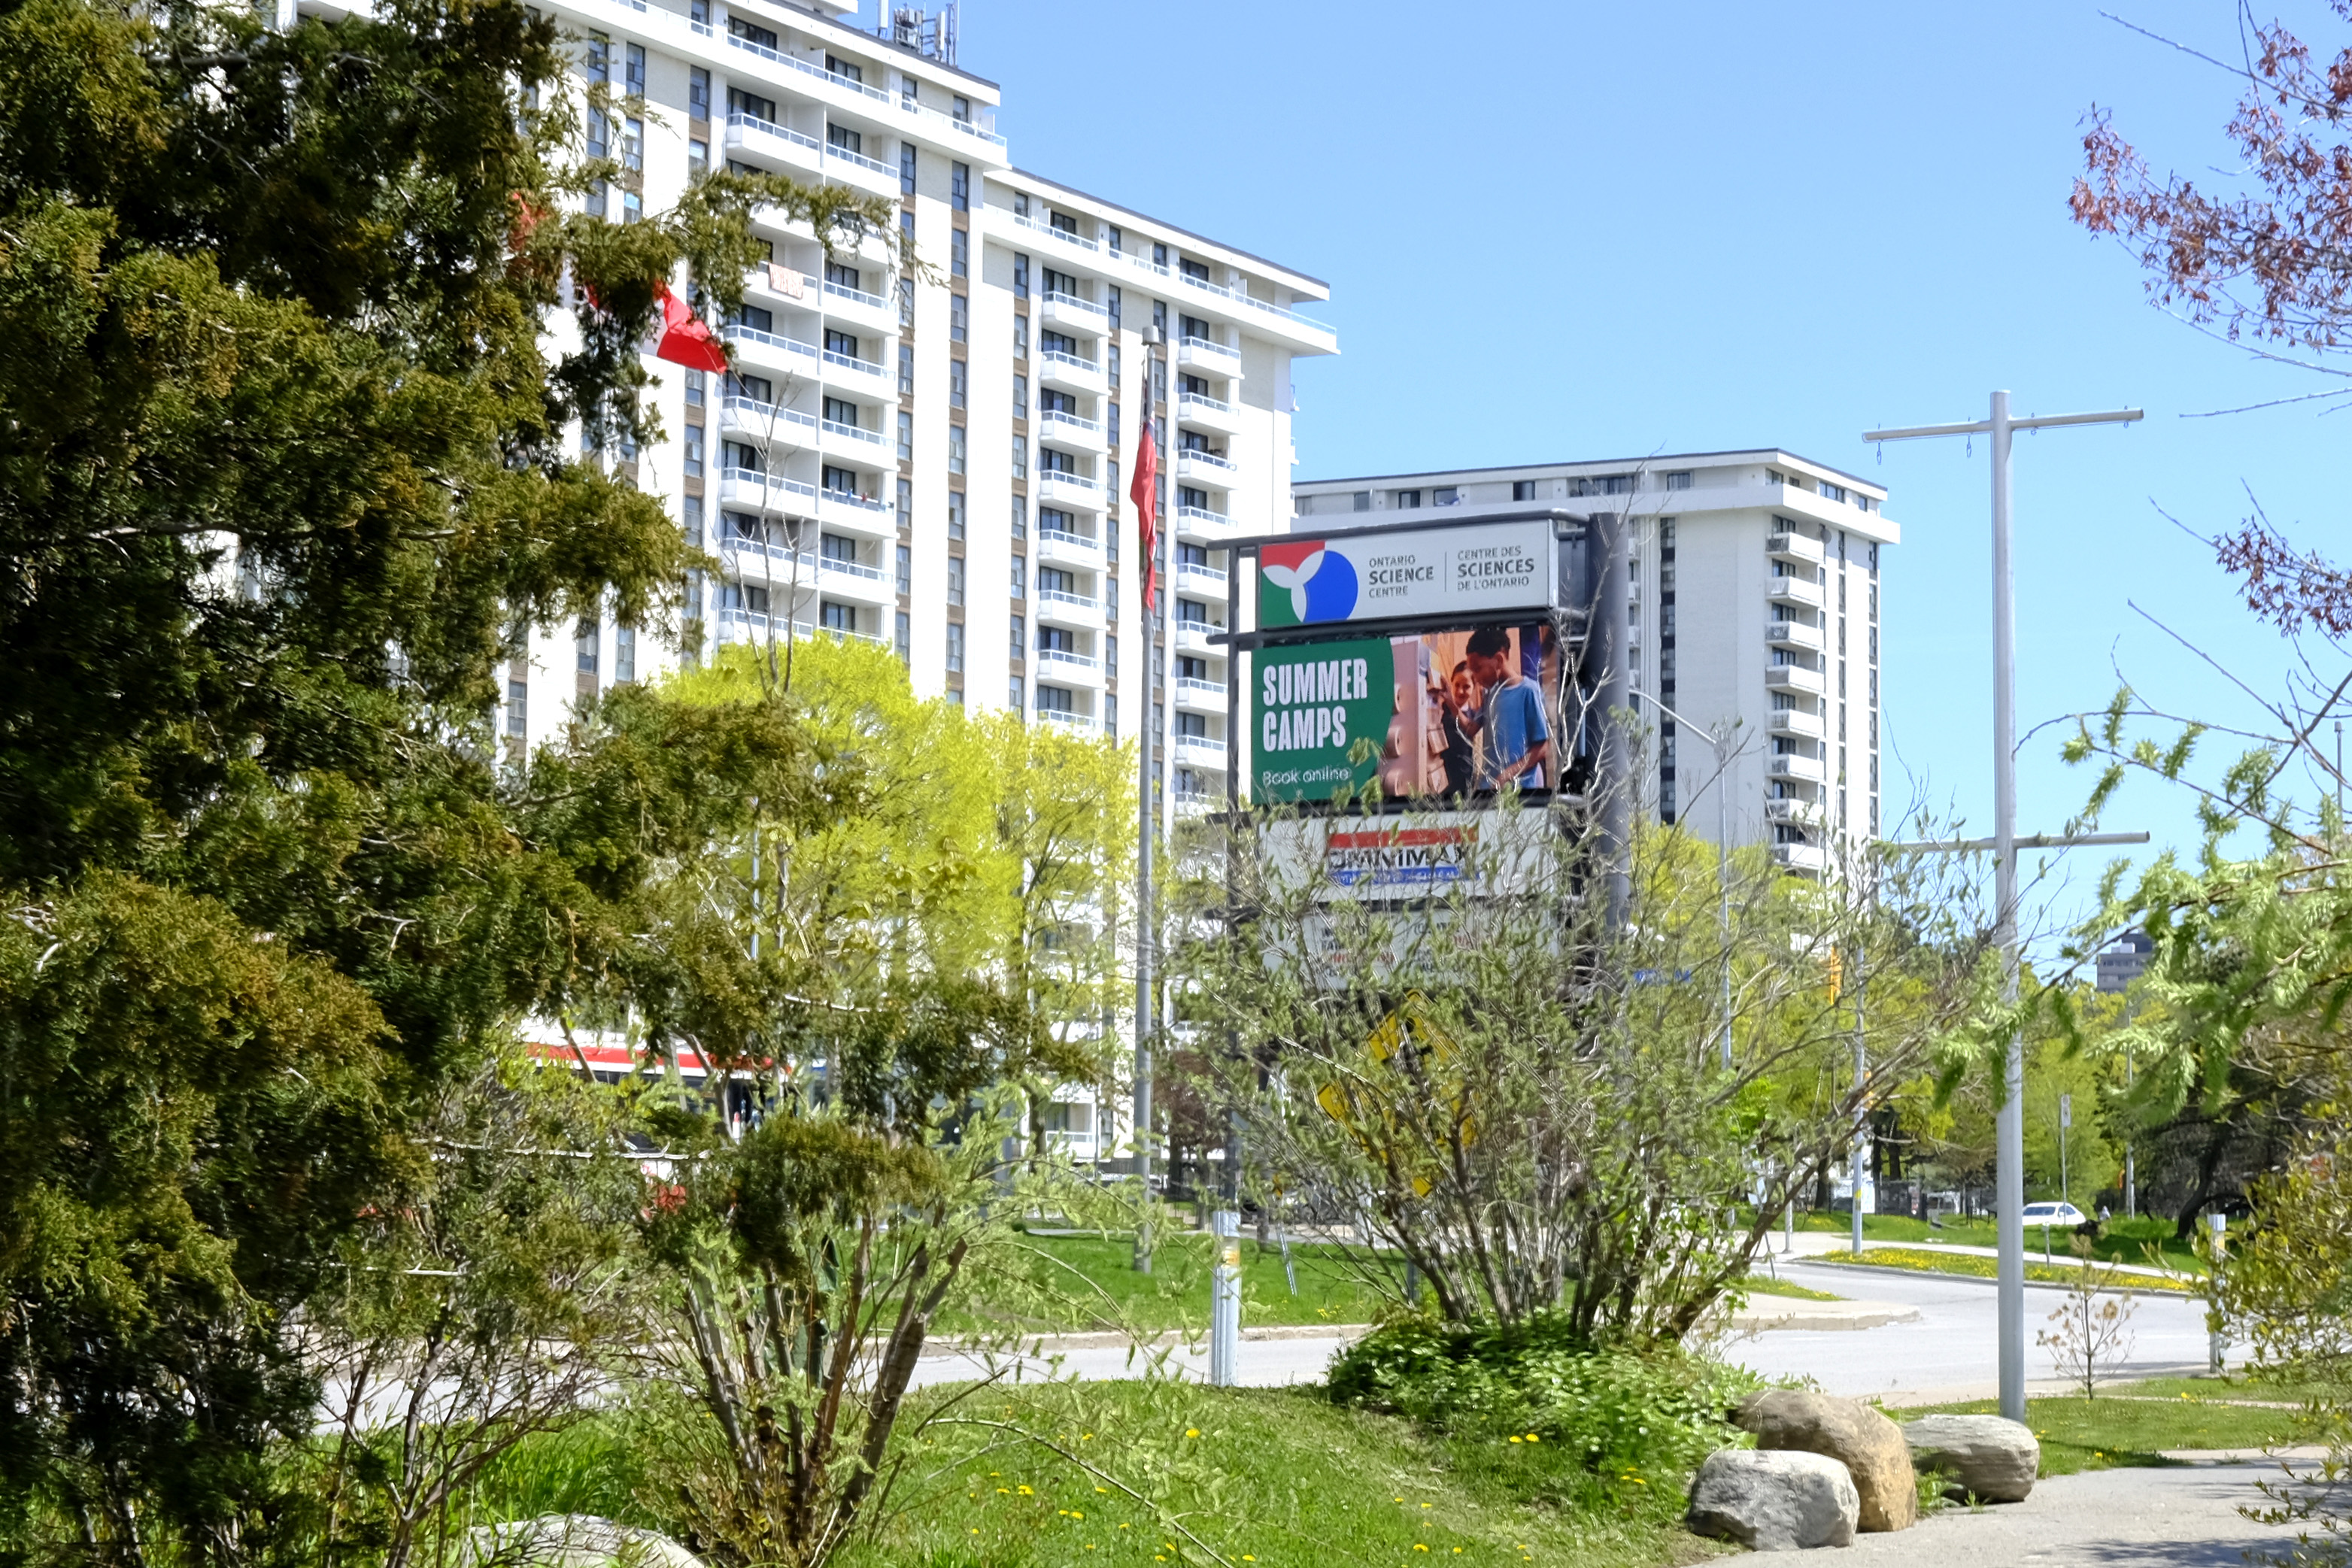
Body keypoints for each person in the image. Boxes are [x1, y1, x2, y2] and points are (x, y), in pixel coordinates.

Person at [1464, 626, 1552, 790]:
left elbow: (1541, 748)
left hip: (1518, 792)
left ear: (1498, 660)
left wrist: (1507, 775)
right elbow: (1471, 729)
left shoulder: (1529, 691)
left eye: (1478, 669)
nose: (1475, 678)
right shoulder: (1490, 694)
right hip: (1488, 789)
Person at [1431, 660, 1479, 798]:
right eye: (1457, 685)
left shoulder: (1474, 719)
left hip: (1464, 781)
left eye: (1466, 687)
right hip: (1442, 777)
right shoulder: (1443, 709)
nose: (1460, 691)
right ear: (1451, 683)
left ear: (1474, 688)